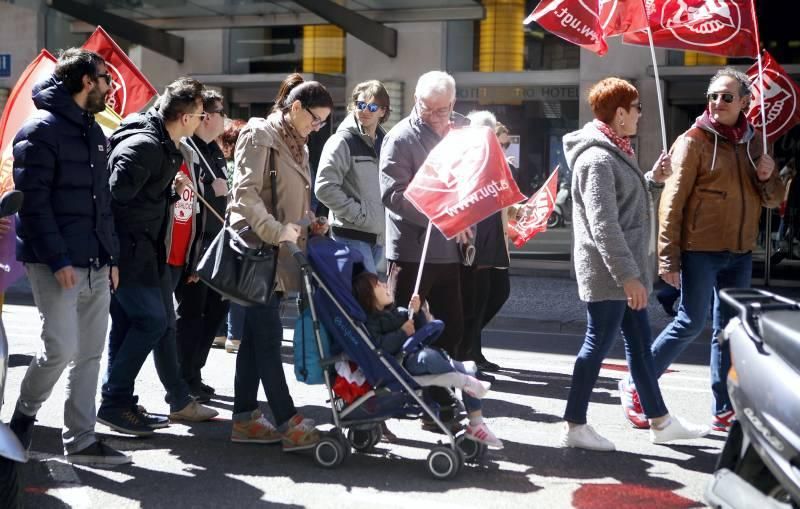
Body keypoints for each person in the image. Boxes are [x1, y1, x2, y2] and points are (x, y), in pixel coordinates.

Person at [621, 68, 784, 432]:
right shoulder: (693, 140)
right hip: (699, 250)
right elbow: (672, 202)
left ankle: (723, 407)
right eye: (713, 96)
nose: (718, 102)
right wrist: (668, 257)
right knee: (691, 321)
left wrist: (767, 178)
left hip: (739, 252)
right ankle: (637, 384)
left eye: (727, 97)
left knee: (727, 330)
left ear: (745, 102)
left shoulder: (755, 142)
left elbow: (774, 201)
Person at [560, 77, 709, 451]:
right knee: (596, 345)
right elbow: (603, 224)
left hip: (622, 273)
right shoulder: (596, 157)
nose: (641, 114)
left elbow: (619, 203)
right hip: (611, 275)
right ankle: (575, 424)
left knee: (640, 347)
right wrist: (628, 277)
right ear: (620, 112)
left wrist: (650, 180)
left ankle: (660, 420)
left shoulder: (613, 150)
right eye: (637, 107)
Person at [8, 48, 129, 464]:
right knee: (59, 348)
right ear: (86, 82)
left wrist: (111, 258)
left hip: (96, 261)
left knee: (91, 352)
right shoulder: (39, 129)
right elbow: (33, 205)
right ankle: (23, 417)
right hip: (53, 262)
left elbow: (103, 204)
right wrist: (59, 260)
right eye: (106, 80)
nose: (111, 88)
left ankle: (80, 439)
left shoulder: (94, 132)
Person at [99, 77, 218, 436]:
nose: (204, 120)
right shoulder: (145, 145)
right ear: (185, 117)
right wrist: (113, 259)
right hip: (130, 251)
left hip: (145, 249)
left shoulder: (162, 141)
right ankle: (114, 401)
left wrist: (168, 188)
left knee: (140, 323)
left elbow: (139, 195)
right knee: (151, 323)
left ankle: (125, 400)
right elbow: (115, 201)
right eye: (201, 114)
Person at [227, 73, 331, 450]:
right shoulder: (260, 135)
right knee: (268, 339)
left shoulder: (297, 142)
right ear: (296, 107)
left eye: (322, 123)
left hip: (281, 255)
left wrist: (311, 222)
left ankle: (243, 419)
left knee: (256, 339)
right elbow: (244, 196)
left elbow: (293, 198)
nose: (317, 128)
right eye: (314, 119)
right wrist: (276, 231)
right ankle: (288, 420)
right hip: (259, 252)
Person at [380, 70, 471, 432]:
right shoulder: (401, 137)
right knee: (405, 329)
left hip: (448, 249)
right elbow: (393, 195)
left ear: (453, 104)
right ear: (417, 101)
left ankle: (437, 395)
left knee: (453, 327)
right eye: (427, 109)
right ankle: (405, 400)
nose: (434, 117)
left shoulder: (459, 132)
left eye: (442, 110)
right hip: (411, 251)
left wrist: (467, 222)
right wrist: (444, 214)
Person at [352, 272, 502, 449]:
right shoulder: (372, 322)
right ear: (369, 298)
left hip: (418, 353)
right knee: (430, 358)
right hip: (402, 364)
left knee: (469, 368)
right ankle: (462, 380)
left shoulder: (397, 312)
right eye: (378, 285)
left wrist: (417, 313)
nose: (385, 285)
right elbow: (381, 346)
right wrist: (402, 333)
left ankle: (476, 423)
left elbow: (421, 328)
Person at [174, 89, 230, 400]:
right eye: (221, 112)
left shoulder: (214, 150)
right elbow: (185, 199)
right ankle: (185, 378)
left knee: (216, 311)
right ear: (207, 117)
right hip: (196, 247)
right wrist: (211, 189)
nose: (225, 118)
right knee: (192, 313)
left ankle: (195, 370)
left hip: (218, 244)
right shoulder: (188, 148)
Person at [315, 80, 390, 275]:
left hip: (379, 238)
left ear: (382, 111)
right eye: (360, 105)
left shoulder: (386, 143)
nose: (365, 110)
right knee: (359, 299)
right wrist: (359, 215)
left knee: (371, 301)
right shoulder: (341, 141)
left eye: (372, 106)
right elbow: (324, 188)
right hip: (350, 236)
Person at [217, 118, 247, 354]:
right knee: (238, 283)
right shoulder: (238, 166)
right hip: (238, 229)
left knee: (223, 282)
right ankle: (235, 335)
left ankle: (220, 332)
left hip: (221, 229)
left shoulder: (226, 166)